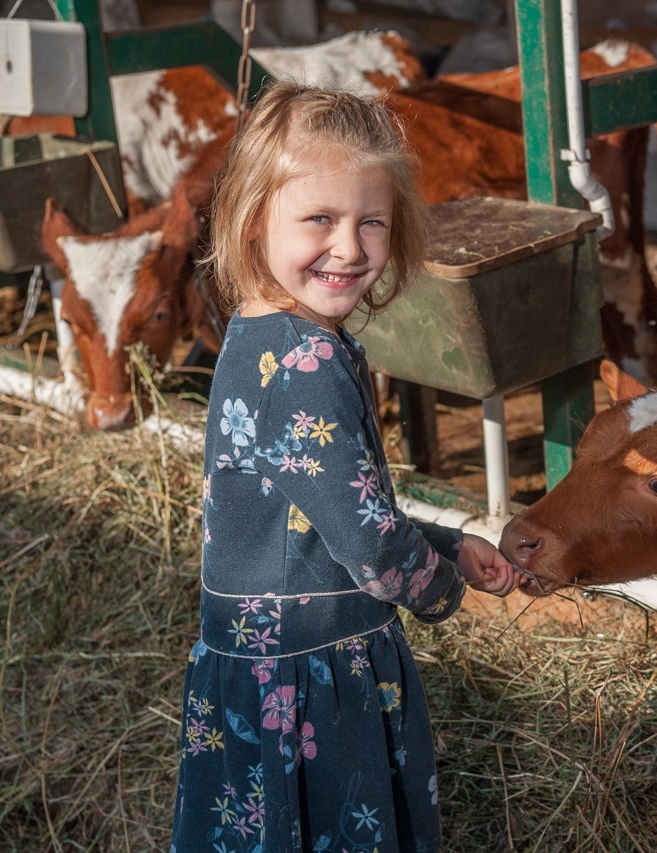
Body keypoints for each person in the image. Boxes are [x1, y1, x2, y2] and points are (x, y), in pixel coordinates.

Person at [170, 80, 527, 852]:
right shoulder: (307, 362)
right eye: (320, 219)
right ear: (254, 218)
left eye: (373, 221)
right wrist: (440, 587)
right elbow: (368, 548)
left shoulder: (253, 334)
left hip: (255, 668)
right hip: (313, 682)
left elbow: (325, 499)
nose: (349, 247)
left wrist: (439, 536)